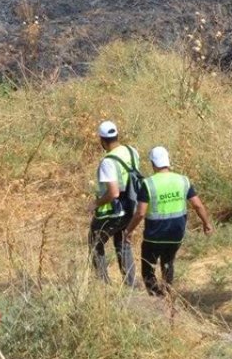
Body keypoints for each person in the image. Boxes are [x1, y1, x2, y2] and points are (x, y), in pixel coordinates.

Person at [126, 146, 212, 296]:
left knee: (148, 268)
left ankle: (157, 298)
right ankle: (168, 293)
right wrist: (207, 223)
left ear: (153, 163)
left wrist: (128, 231)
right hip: (176, 234)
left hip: (154, 236)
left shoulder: (148, 183)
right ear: (168, 162)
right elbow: (197, 205)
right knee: (168, 263)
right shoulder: (183, 180)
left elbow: (140, 213)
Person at [89, 120, 140, 286]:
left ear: (102, 140)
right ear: (117, 135)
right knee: (122, 242)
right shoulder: (132, 151)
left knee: (95, 241)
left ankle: (102, 284)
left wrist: (96, 203)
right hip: (132, 206)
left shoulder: (108, 162)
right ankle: (130, 284)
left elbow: (113, 192)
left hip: (115, 210)